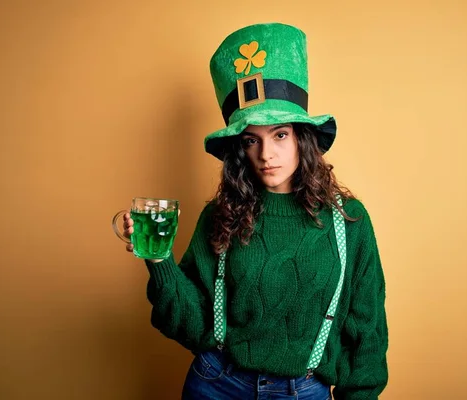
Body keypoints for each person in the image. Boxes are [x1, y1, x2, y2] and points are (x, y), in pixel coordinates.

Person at [121, 23, 388, 400]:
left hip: (304, 391)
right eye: (252, 140)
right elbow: (194, 325)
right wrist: (158, 258)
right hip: (217, 384)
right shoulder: (221, 214)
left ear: (302, 136)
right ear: (239, 149)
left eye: (280, 135)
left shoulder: (349, 222)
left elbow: (367, 332)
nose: (266, 154)